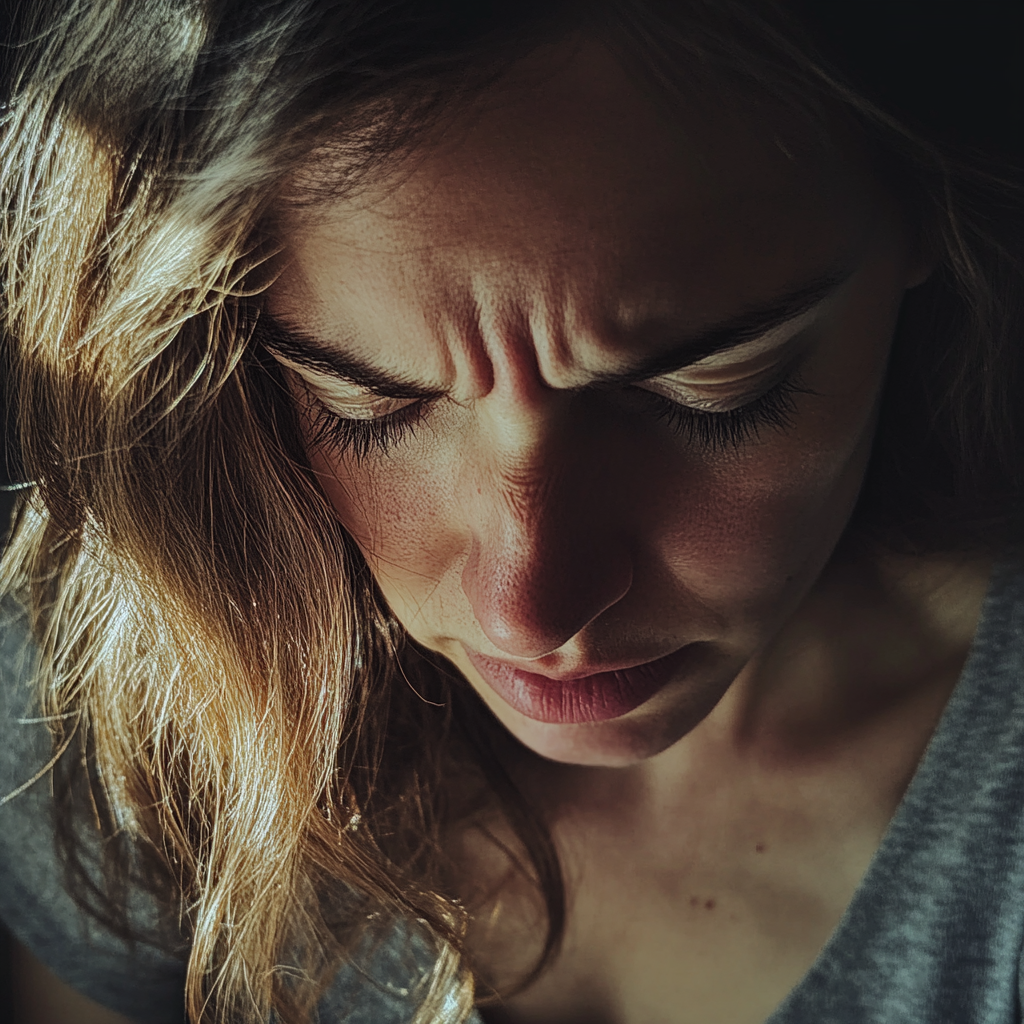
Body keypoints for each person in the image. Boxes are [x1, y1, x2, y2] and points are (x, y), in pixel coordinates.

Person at [1, 1, 1022, 1022]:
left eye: (704, 391)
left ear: (920, 202)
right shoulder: (116, 697)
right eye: (369, 405)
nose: (526, 614)